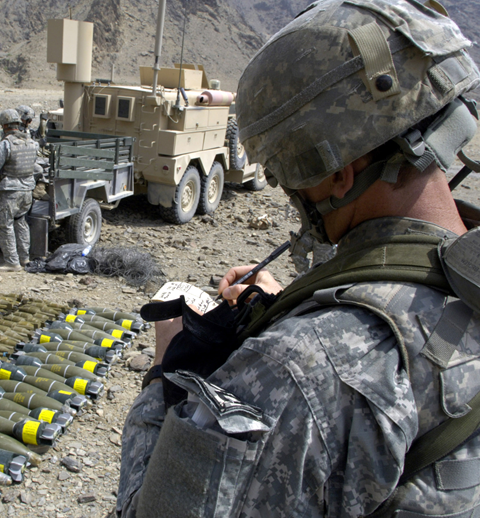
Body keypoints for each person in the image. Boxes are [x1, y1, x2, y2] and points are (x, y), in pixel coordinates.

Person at [118, 1, 480, 516]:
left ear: (341, 173)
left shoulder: (300, 366)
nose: (290, 191)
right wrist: (291, 305)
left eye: (288, 172)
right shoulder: (466, 278)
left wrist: (163, 371)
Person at [0, 109, 38, 271]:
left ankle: (12, 262)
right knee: (20, 222)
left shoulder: (6, 144)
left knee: (4, 224)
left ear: (4, 126)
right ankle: (24, 258)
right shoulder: (31, 143)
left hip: (10, 191)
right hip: (27, 190)